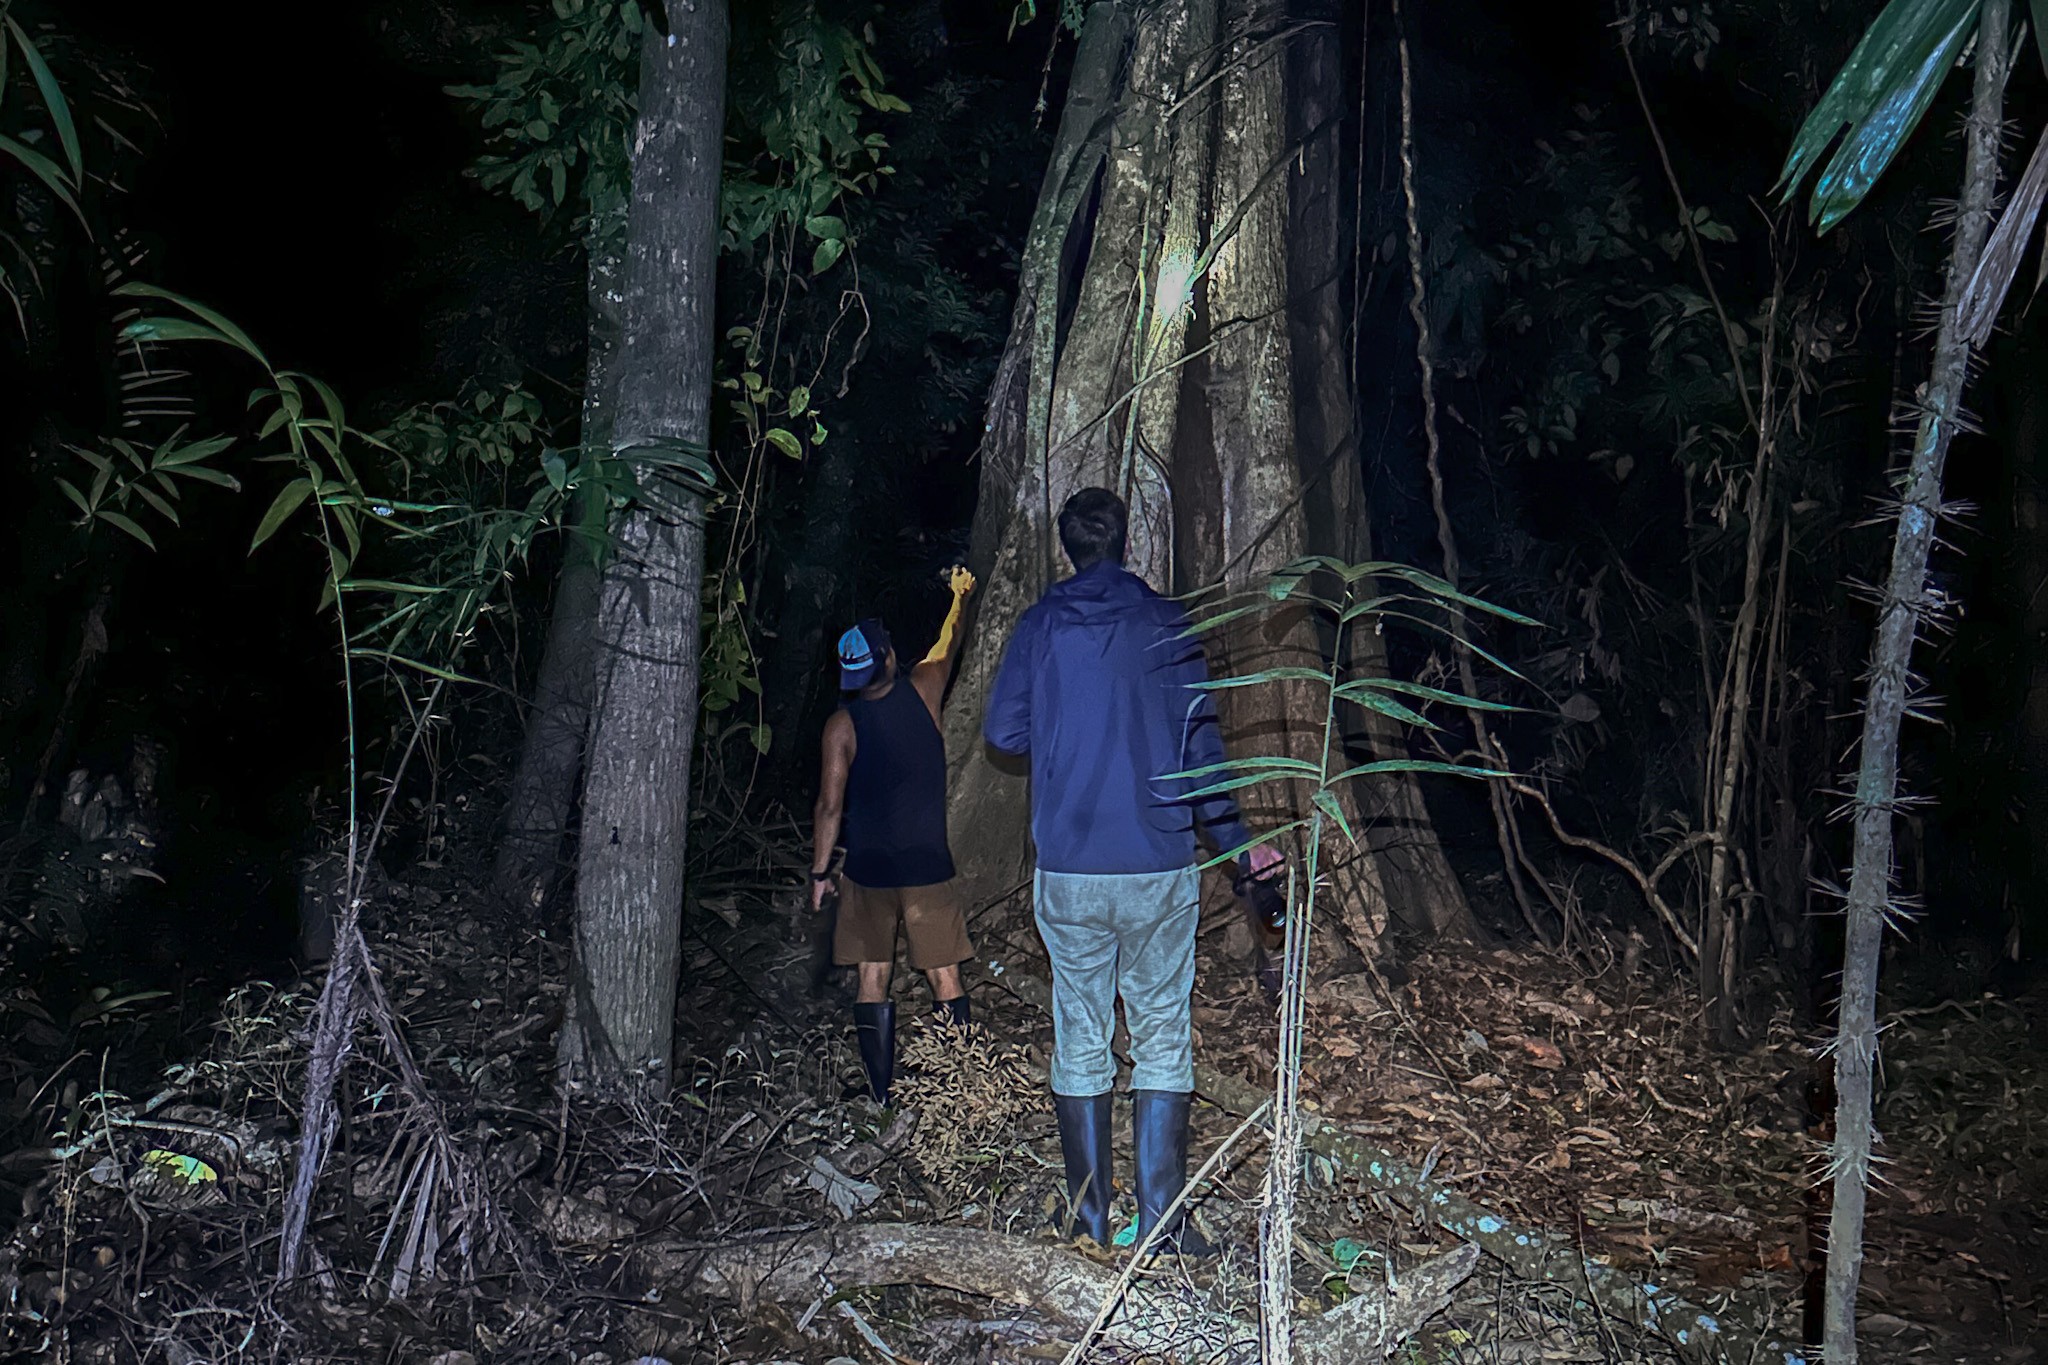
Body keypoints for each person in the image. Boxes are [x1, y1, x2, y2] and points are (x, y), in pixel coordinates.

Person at [984, 488, 1281, 1253]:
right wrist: (1240, 844)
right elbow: (1202, 754)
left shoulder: (1041, 625)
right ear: (1124, 542)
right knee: (1161, 1035)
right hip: (1156, 863)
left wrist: (1064, 723)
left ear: (1068, 547)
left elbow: (1003, 730)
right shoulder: (1166, 622)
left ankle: (1089, 1220)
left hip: (1073, 867)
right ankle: (1162, 1223)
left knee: (1080, 1034)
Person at [810, 567, 978, 1106]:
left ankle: (881, 1095)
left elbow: (829, 806)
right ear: (887, 658)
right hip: (927, 866)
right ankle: (961, 1086)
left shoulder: (842, 726)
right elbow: (948, 641)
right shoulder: (925, 688)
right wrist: (959, 597)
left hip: (869, 870)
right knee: (944, 976)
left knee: (872, 977)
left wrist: (819, 874)